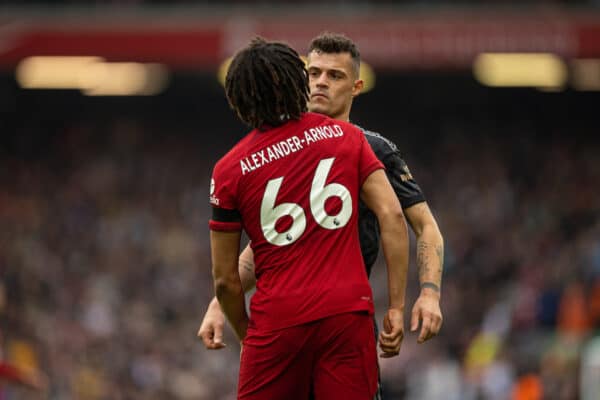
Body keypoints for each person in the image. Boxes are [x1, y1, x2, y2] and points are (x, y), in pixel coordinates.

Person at [208, 37, 409, 399]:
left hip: (276, 322)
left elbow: (225, 281)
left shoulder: (229, 169)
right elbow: (393, 215)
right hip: (347, 315)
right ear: (298, 83)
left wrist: (247, 336)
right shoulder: (347, 137)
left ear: (238, 98)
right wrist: (396, 305)